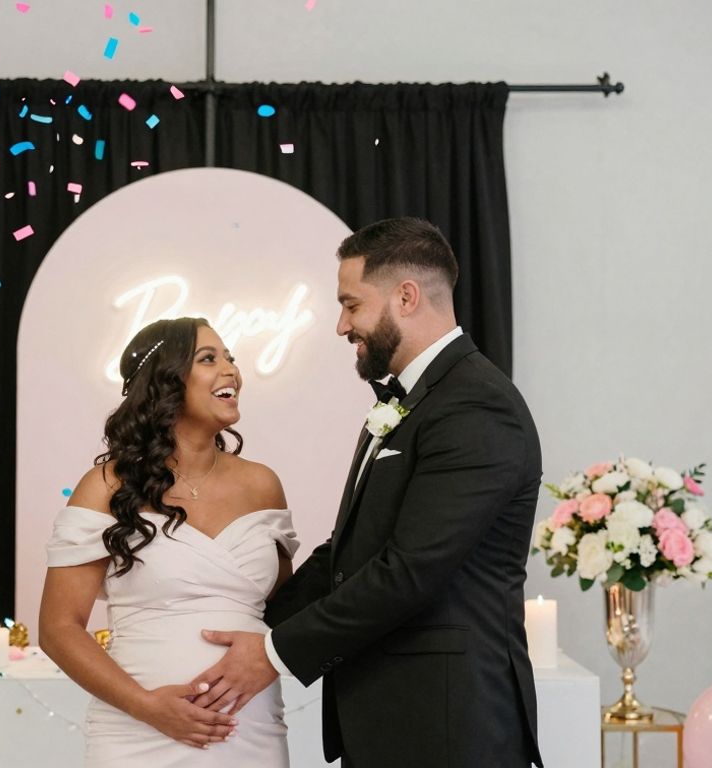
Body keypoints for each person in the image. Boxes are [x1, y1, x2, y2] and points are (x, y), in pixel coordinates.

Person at [189, 217, 545, 766]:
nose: (341, 326)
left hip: (447, 724)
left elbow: (409, 572)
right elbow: (349, 552)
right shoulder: (412, 401)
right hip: (392, 717)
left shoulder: (477, 406)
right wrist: (250, 618)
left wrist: (272, 652)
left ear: (405, 296)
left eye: (351, 305)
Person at [39, 316, 299, 767]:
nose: (231, 370)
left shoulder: (262, 485)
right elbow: (58, 628)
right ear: (165, 380)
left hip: (248, 732)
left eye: (231, 358)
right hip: (137, 733)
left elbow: (285, 608)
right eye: (208, 358)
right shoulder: (105, 486)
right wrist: (148, 707)